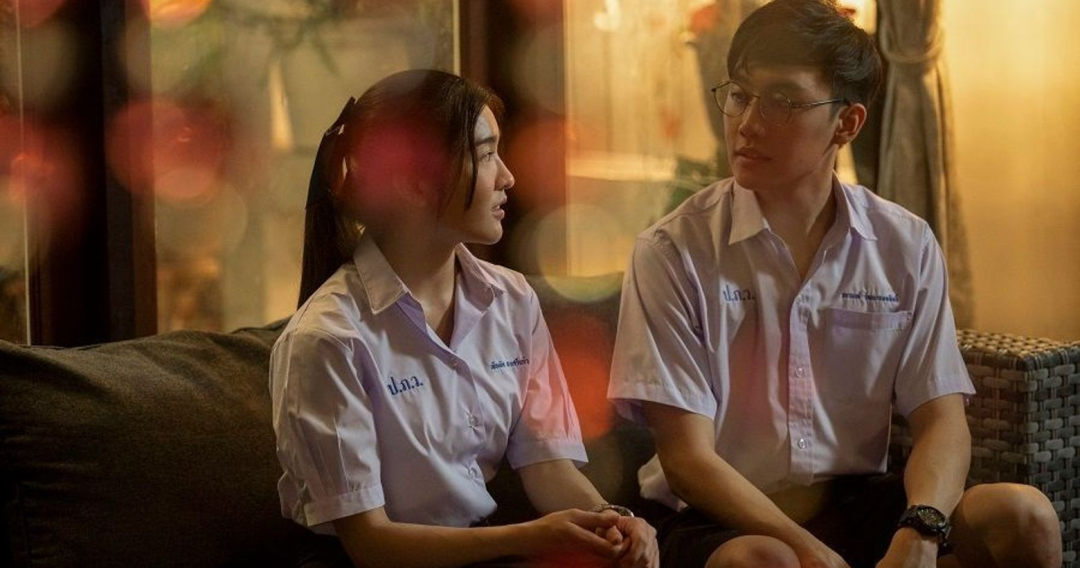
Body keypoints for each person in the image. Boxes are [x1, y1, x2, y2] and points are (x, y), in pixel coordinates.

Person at [606, 1, 1062, 567]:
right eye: (740, 95)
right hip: (718, 514)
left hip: (855, 501)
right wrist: (814, 554)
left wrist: (920, 532)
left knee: (1024, 515)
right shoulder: (672, 250)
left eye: (781, 101)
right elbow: (688, 461)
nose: (747, 123)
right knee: (768, 562)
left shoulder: (904, 244)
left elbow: (942, 421)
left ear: (846, 123)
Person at [270, 69, 658, 568]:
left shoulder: (512, 300)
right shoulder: (327, 339)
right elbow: (370, 543)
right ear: (412, 184)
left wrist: (612, 522)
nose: (508, 177)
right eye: (486, 154)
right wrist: (530, 538)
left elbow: (548, 467)